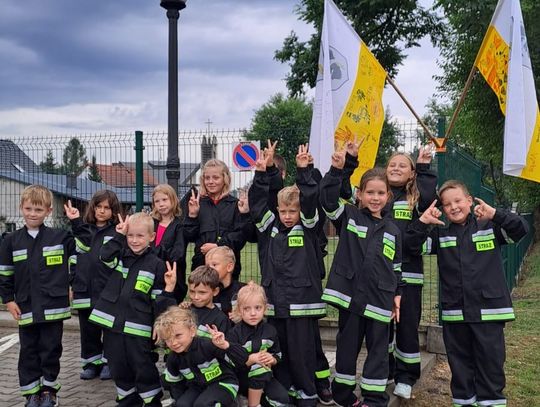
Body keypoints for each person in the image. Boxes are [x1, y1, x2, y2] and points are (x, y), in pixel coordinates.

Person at [407, 180, 529, 407]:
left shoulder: (489, 227)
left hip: (489, 313)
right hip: (456, 314)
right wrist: (423, 223)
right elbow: (411, 247)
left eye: (458, 201)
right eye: (447, 204)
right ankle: (464, 402)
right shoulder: (440, 235)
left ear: (469, 201)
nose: (453, 207)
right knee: (460, 365)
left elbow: (520, 229)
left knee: (490, 364)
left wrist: (496, 214)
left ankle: (491, 402)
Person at [320, 151, 403, 407]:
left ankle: (374, 399)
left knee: (378, 352)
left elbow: (396, 268)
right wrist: (337, 170)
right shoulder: (350, 216)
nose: (375, 198)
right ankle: (344, 395)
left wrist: (397, 295)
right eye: (370, 192)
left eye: (380, 193)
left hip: (380, 299)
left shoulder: (394, 230)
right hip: (352, 298)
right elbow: (328, 200)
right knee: (347, 347)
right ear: (359, 194)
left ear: (388, 196)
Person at [248, 144, 324, 406]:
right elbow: (257, 204)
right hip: (275, 302)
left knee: (302, 352)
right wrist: (260, 174)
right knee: (280, 350)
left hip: (301, 303)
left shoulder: (309, 225)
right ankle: (287, 390)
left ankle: (308, 393)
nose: (289, 216)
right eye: (284, 211)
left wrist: (303, 171)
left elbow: (312, 200)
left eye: (293, 211)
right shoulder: (269, 225)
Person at [0, 185, 90, 407]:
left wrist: (76, 222)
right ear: (21, 208)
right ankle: (32, 393)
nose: (32, 213)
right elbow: (4, 273)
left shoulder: (60, 237)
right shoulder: (10, 241)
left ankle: (49, 390)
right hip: (26, 307)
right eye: (29, 208)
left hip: (54, 307)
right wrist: (8, 300)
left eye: (38, 209)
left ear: (48, 211)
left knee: (51, 350)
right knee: (28, 352)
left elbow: (85, 247)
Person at [86, 212, 167, 406]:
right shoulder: (119, 255)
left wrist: (159, 323)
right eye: (131, 236)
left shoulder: (157, 265)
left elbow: (158, 298)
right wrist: (119, 236)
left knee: (142, 366)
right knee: (117, 364)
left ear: (151, 237)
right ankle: (127, 399)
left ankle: (151, 399)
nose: (134, 240)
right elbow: (103, 255)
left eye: (140, 236)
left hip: (138, 328)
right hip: (112, 325)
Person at [383, 147, 438, 399]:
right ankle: (385, 370)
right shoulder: (378, 195)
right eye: (392, 164)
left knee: (406, 327)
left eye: (402, 165)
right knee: (381, 327)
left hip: (408, 277)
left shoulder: (416, 199)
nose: (395, 168)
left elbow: (429, 201)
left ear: (412, 173)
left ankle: (406, 377)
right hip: (380, 277)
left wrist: (425, 168)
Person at [208, 282, 290, 407]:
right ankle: (250, 402)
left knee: (282, 399)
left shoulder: (270, 330)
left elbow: (277, 353)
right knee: (258, 368)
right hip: (241, 378)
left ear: (265, 308)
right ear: (239, 310)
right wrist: (249, 360)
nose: (253, 313)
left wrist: (272, 359)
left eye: (258, 308)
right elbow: (229, 364)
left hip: (264, 376)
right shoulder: (234, 333)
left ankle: (255, 398)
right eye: (247, 309)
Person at [69, 189, 122, 381]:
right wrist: (72, 284)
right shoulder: (83, 230)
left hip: (107, 290)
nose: (102, 211)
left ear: (114, 211)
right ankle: (91, 363)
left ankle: (109, 362)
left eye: (107, 208)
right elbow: (73, 259)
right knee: (88, 329)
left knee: (108, 328)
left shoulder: (117, 232)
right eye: (98, 207)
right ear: (92, 208)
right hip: (83, 289)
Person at [155, 307, 240, 406]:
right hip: (198, 387)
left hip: (224, 383)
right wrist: (179, 401)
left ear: (192, 331)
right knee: (182, 405)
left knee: (203, 405)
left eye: (178, 335)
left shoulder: (208, 345)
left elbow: (238, 360)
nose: (173, 343)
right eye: (168, 339)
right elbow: (175, 384)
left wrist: (225, 345)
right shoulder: (173, 359)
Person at [184, 159, 249, 280]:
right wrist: (192, 216)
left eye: (215, 178)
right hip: (201, 266)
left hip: (227, 270)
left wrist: (217, 246)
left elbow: (240, 236)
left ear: (225, 179)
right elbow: (188, 236)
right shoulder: (197, 203)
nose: (211, 182)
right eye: (207, 178)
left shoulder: (235, 205)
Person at [151, 184, 188, 302]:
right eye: (157, 201)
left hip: (171, 275)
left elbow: (177, 254)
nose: (161, 204)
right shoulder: (151, 223)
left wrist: (155, 252)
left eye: (164, 200)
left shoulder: (179, 225)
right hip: (151, 273)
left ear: (173, 200)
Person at [205, 246, 245, 319]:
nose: (210, 269)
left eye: (214, 265)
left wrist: (242, 316)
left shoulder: (243, 291)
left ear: (229, 267)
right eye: (207, 266)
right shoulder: (206, 291)